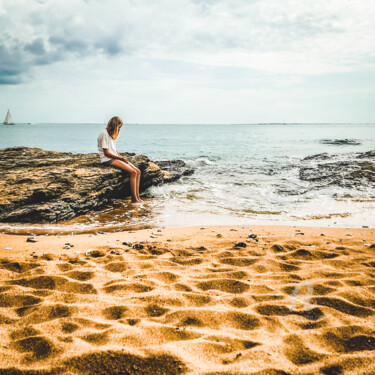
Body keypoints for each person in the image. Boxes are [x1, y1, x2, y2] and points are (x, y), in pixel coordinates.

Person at [97, 116, 143, 203]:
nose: (119, 129)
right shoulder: (104, 134)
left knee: (138, 171)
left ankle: (138, 197)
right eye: (119, 127)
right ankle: (134, 199)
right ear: (114, 125)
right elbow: (106, 153)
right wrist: (120, 158)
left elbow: (114, 149)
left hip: (114, 157)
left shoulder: (110, 134)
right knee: (133, 172)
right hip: (107, 159)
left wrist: (121, 157)